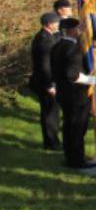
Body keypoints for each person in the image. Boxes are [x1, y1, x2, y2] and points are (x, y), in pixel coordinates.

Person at [51, 18, 96, 168]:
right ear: (71, 31)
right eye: (78, 29)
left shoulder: (56, 46)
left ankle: (70, 157)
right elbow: (73, 74)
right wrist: (90, 79)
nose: (80, 31)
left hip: (63, 92)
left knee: (68, 126)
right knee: (77, 127)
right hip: (76, 94)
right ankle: (77, 159)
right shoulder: (73, 48)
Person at [29, 12, 61, 150]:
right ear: (49, 24)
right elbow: (45, 65)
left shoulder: (47, 37)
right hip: (46, 83)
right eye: (56, 22)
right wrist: (50, 85)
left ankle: (53, 140)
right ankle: (51, 142)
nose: (58, 24)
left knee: (53, 112)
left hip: (49, 81)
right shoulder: (44, 41)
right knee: (50, 113)